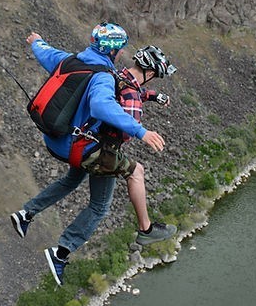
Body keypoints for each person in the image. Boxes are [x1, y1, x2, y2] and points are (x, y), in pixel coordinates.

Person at [10, 22, 177, 286]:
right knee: (114, 191)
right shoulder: (103, 77)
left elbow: (45, 52)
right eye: (120, 49)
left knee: (72, 180)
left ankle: (26, 214)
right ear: (113, 52)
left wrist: (36, 41)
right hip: (81, 148)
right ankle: (63, 252)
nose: (122, 53)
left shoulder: (71, 60)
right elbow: (100, 105)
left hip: (58, 140)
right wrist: (141, 132)